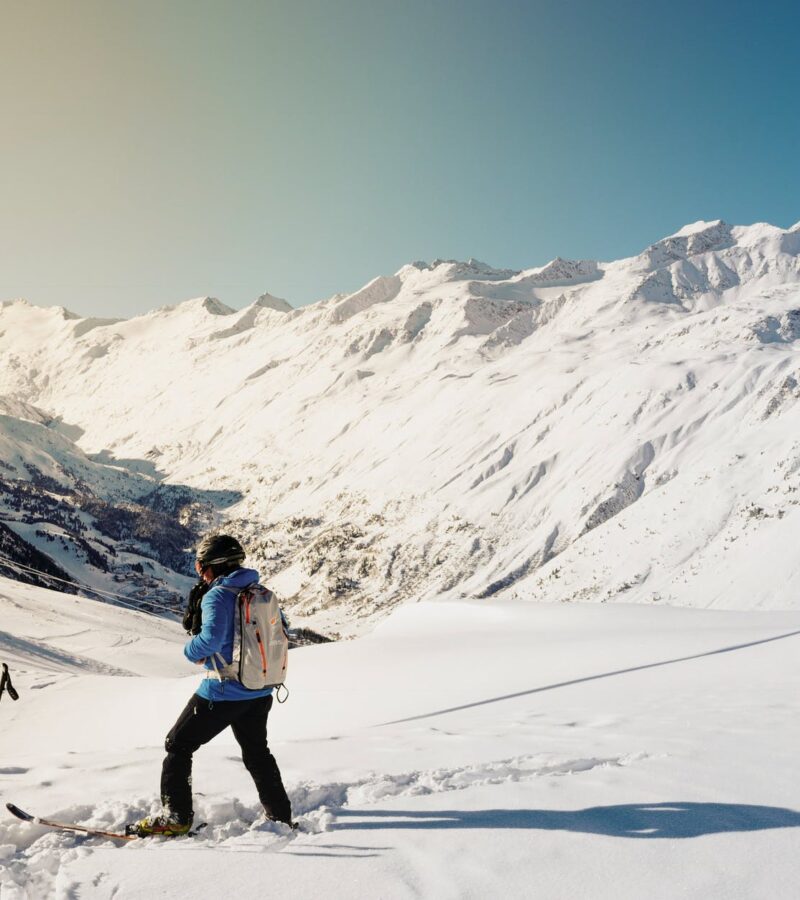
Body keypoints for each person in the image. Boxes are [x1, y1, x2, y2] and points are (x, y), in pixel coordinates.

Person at [133, 534, 293, 836]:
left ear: (212, 567)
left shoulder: (217, 595)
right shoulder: (260, 591)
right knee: (258, 753)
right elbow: (282, 630)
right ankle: (281, 815)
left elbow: (210, 641)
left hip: (222, 691)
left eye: (201, 567)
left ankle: (176, 817)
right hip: (260, 690)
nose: (200, 573)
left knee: (177, 745)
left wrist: (190, 651)